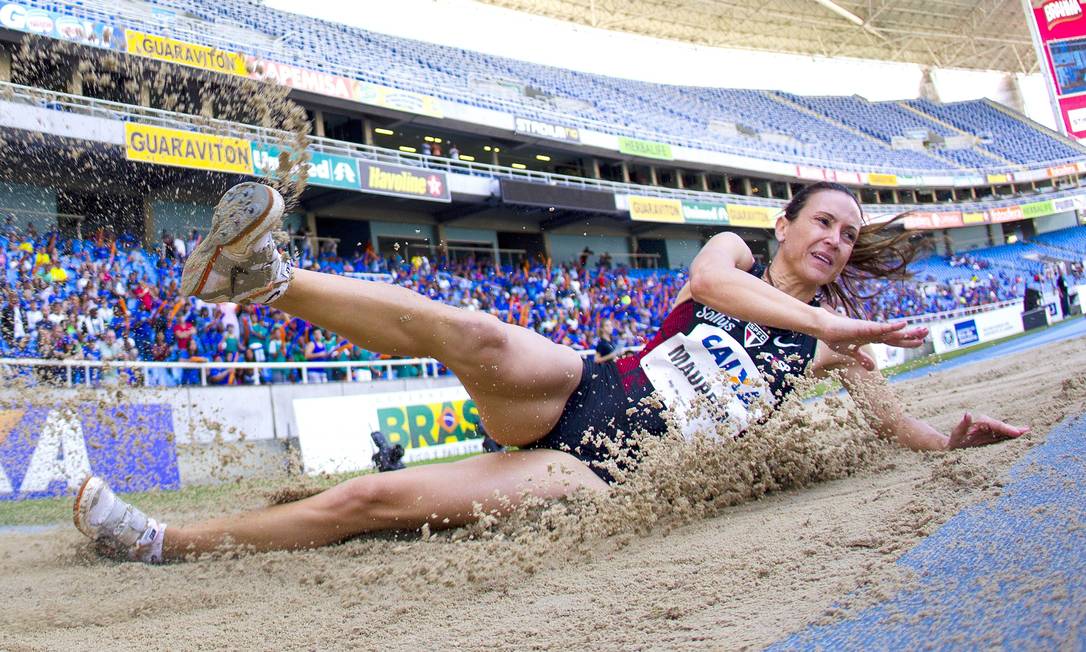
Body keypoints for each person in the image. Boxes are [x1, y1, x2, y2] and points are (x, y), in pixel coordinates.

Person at [73, 181, 1028, 564]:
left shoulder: (834, 346)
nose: (836, 239)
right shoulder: (734, 254)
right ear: (785, 228)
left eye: (851, 235)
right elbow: (706, 283)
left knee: (373, 501)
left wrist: (950, 438)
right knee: (477, 332)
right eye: (824, 221)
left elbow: (894, 428)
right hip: (586, 387)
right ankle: (264, 278)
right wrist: (829, 317)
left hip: (603, 471)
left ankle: (159, 541)